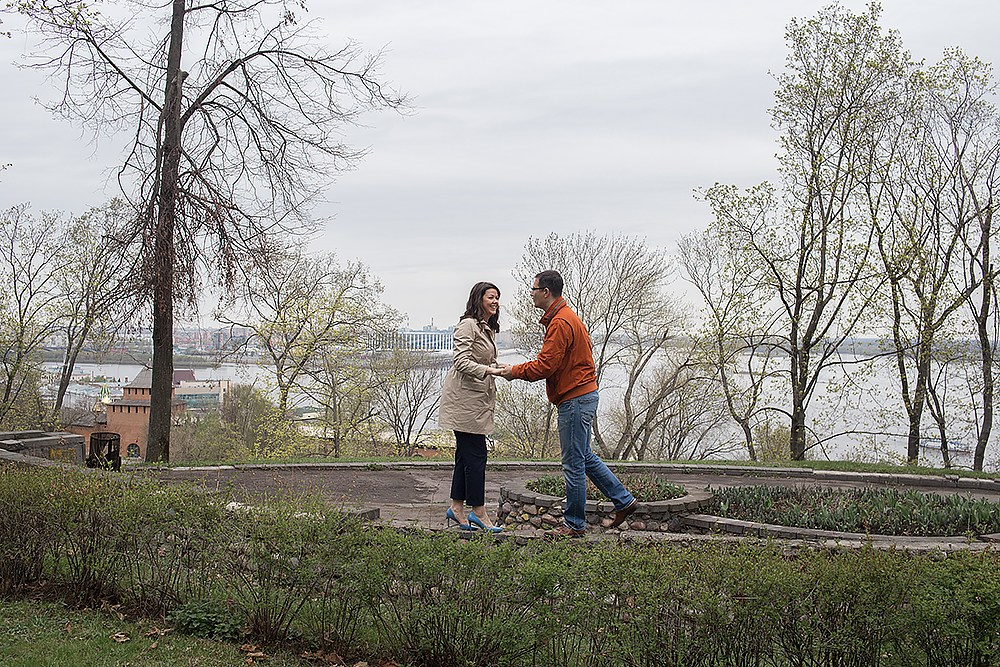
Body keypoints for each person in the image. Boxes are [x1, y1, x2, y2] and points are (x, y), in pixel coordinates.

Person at [500, 270, 636, 538]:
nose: (531, 293)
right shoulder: (565, 318)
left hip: (574, 399)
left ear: (546, 292)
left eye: (534, 288)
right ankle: (623, 500)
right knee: (584, 456)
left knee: (573, 463)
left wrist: (512, 371)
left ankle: (574, 524)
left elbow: (545, 366)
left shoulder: (561, 322)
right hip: (583, 395)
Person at [438, 281, 506, 533]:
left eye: (498, 297)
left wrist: (500, 367)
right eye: (491, 296)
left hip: (476, 400)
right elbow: (461, 361)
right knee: (477, 456)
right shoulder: (467, 325)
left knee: (465, 456)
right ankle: (479, 511)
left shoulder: (487, 328)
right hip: (464, 401)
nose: (496, 301)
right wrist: (489, 370)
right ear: (479, 299)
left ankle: (456, 508)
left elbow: (484, 358)